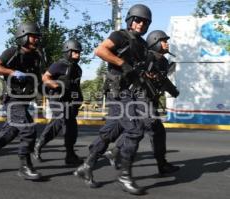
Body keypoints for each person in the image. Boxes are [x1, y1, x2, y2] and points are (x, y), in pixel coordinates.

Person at [74, 4, 156, 195]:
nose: (141, 24)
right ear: (129, 20)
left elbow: (140, 68)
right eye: (137, 20)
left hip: (132, 92)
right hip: (118, 92)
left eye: (145, 22)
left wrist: (148, 76)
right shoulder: (119, 36)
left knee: (112, 131)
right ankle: (124, 176)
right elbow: (101, 51)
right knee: (135, 130)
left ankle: (86, 166)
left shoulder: (143, 45)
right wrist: (123, 64)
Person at [103, 30, 180, 175]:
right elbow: (139, 75)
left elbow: (162, 79)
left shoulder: (162, 61)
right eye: (163, 40)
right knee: (147, 127)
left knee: (151, 129)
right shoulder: (149, 57)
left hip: (150, 99)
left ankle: (115, 152)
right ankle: (120, 158)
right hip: (141, 98)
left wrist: (173, 91)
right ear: (155, 42)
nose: (167, 43)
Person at [0, 22, 43, 180]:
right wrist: (13, 72)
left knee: (11, 131)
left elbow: (38, 77)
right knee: (28, 129)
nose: (36, 40)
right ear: (23, 37)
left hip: (25, 100)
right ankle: (24, 166)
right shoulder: (12, 52)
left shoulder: (36, 56)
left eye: (37, 37)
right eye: (33, 36)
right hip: (13, 100)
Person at [32, 39, 84, 165]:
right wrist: (55, 85)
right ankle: (38, 145)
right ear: (67, 51)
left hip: (70, 101)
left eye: (79, 52)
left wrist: (79, 100)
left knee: (71, 127)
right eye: (75, 52)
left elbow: (75, 86)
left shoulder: (78, 69)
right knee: (60, 120)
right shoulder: (59, 64)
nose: (78, 55)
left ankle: (70, 155)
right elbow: (45, 78)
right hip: (57, 99)